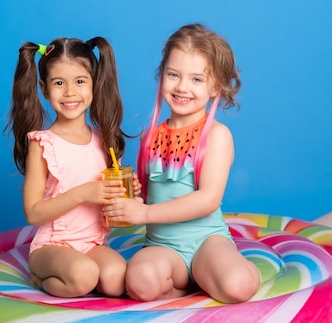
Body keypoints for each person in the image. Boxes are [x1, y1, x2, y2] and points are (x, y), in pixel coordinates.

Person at [105, 24, 260, 303]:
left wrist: (144, 215)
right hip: (162, 247)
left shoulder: (216, 135)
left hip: (206, 242)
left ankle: (223, 269)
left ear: (216, 87)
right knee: (140, 283)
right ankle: (188, 285)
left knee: (238, 286)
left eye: (196, 80)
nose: (182, 87)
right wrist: (128, 201)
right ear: (161, 75)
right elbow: (149, 195)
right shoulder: (150, 136)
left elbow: (207, 200)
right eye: (173, 75)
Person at [5, 36, 132, 298]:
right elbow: (33, 213)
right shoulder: (43, 144)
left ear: (94, 84)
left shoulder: (104, 140)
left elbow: (112, 209)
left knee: (117, 279)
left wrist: (126, 196)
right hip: (51, 246)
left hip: (91, 243)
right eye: (59, 83)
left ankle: (81, 275)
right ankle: (40, 277)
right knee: (84, 275)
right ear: (44, 88)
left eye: (80, 81)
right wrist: (84, 193)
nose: (70, 92)